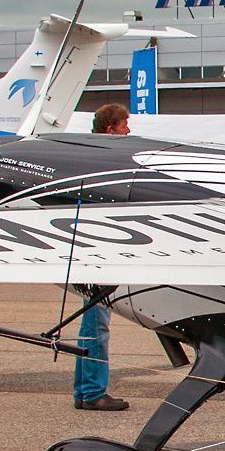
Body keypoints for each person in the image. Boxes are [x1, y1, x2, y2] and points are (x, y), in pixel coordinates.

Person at [74, 103, 133, 411]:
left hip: (89, 250)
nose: (129, 131)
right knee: (97, 323)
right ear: (110, 130)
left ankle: (85, 392)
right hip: (96, 252)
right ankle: (94, 392)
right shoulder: (104, 162)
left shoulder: (86, 158)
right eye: (125, 125)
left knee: (91, 321)